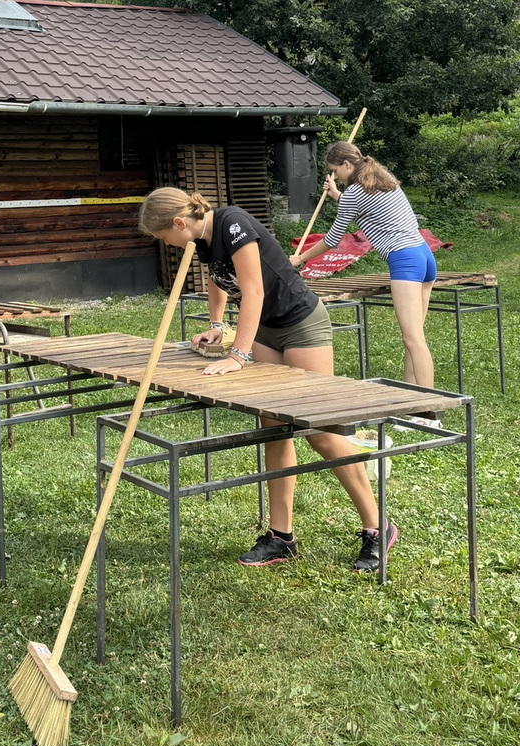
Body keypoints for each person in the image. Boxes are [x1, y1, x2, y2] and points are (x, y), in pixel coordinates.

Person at [138, 187, 396, 572]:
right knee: (273, 428)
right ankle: (281, 536)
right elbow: (220, 280)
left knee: (319, 431)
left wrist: (237, 356)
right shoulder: (203, 239)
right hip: (266, 331)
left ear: (178, 222)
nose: (167, 244)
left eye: (164, 237)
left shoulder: (233, 223)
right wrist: (216, 325)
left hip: (300, 324)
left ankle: (377, 527)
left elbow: (254, 291)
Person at [291, 141, 439, 428]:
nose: (336, 175)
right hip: (423, 255)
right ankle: (412, 408)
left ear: (347, 165)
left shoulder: (354, 194)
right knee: (414, 338)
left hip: (405, 259)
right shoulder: (382, 178)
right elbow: (366, 207)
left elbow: (332, 239)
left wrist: (300, 258)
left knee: (413, 340)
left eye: (336, 171)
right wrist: (337, 195)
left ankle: (432, 413)